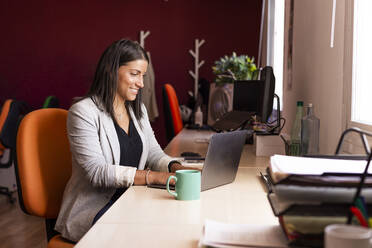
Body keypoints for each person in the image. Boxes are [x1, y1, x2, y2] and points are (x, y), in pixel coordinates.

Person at [55, 39, 190, 242]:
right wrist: (153, 177)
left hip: (131, 200)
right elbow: (96, 172)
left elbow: (153, 153)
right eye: (134, 74)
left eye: (143, 76)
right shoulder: (83, 112)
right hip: (95, 208)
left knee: (177, 224)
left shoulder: (138, 110)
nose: (141, 83)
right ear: (111, 71)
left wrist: (176, 168)